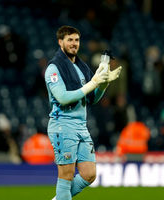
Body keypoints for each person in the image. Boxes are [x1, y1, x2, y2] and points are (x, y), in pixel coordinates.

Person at [45, 25, 121, 200]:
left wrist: (103, 83)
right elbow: (63, 97)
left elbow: (92, 98)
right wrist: (92, 83)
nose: (74, 44)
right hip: (63, 125)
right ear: (60, 42)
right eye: (69, 40)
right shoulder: (53, 68)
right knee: (67, 175)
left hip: (80, 127)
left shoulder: (81, 66)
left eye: (76, 40)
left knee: (89, 174)